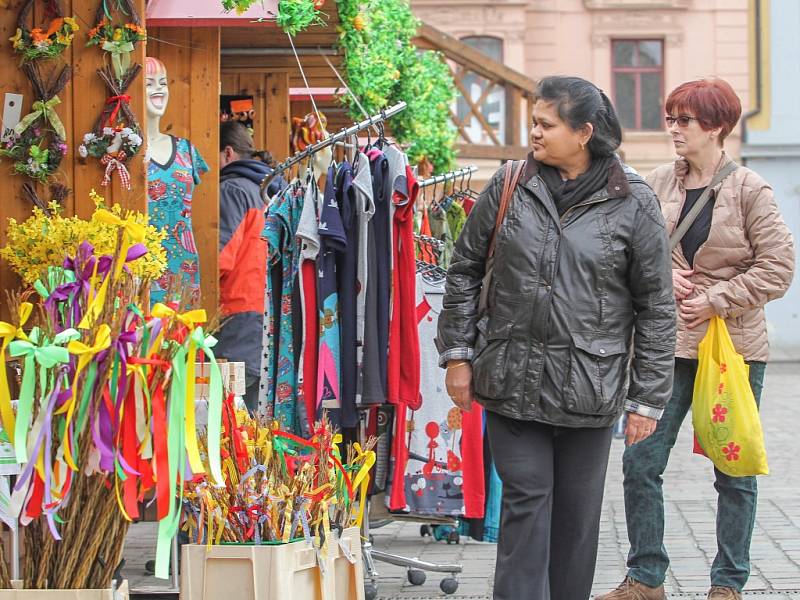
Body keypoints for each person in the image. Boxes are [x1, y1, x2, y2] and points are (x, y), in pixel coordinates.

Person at [437, 75, 677, 600]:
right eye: (534, 123)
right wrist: (457, 355)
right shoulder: (509, 184)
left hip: (589, 389)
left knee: (575, 519)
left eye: (546, 124)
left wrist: (647, 399)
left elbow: (657, 307)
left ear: (584, 132)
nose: (535, 134)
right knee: (525, 500)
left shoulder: (633, 201)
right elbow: (464, 270)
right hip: (510, 381)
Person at [597, 78, 795, 600]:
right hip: (664, 347)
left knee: (734, 467)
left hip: (731, 350)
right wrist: (661, 269)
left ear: (716, 127)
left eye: (684, 120)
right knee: (641, 462)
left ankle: (727, 584)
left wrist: (717, 297)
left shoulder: (751, 189)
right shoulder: (657, 182)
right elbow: (624, 251)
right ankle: (645, 577)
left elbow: (779, 269)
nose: (674, 129)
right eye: (671, 119)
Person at [216, 120, 285, 411]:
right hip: (270, 314)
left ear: (228, 153)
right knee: (257, 419)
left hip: (235, 318)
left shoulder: (232, 190)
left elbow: (221, 258)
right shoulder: (273, 190)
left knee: (229, 415)